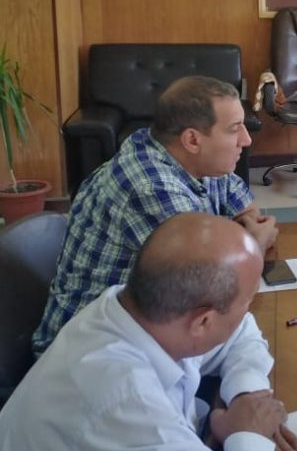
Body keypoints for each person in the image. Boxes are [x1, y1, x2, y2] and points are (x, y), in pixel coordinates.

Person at [0, 213, 297, 451]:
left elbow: (240, 331)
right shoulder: (127, 406)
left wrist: (247, 395)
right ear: (203, 322)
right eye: (247, 303)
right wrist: (248, 435)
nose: (247, 312)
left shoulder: (142, 310)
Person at [33, 75, 278, 355]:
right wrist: (255, 243)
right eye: (235, 129)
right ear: (192, 139)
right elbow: (215, 284)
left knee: (251, 344)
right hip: (92, 354)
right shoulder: (151, 186)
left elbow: (246, 209)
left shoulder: (192, 158)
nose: (246, 140)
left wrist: (244, 241)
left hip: (149, 329)